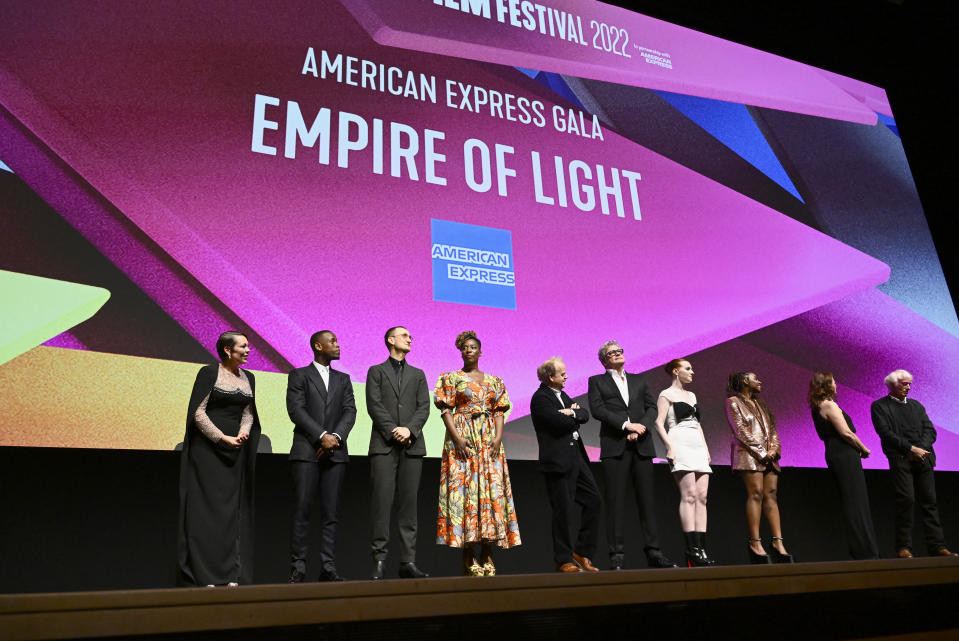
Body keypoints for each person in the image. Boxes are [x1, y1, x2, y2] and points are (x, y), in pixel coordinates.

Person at [177, 331, 261, 587]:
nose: (248, 350)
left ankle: (230, 573)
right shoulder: (208, 373)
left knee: (230, 514)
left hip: (236, 451)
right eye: (243, 346)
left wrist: (244, 432)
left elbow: (248, 411)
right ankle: (206, 575)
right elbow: (198, 413)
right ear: (227, 350)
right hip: (209, 451)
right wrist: (221, 437)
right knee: (208, 512)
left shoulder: (249, 377)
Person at [435, 330, 521, 576]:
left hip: (488, 441)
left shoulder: (495, 381)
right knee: (465, 492)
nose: (469, 350)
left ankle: (487, 553)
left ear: (480, 351)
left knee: (490, 493)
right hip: (462, 438)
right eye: (465, 347)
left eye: (473, 347)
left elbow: (499, 412)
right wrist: (457, 438)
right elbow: (446, 411)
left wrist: (497, 437)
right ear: (461, 352)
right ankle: (468, 554)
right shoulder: (451, 378)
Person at [587, 341, 677, 570]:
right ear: (604, 360)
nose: (617, 354)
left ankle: (654, 552)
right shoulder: (596, 381)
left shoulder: (639, 379)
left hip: (642, 446)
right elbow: (598, 410)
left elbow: (652, 408)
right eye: (612, 353)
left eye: (619, 351)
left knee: (647, 500)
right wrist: (627, 426)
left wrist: (642, 427)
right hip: (615, 446)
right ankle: (616, 554)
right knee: (615, 501)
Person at [287, 330, 357, 582]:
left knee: (331, 513)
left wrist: (335, 438)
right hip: (307, 450)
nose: (338, 345)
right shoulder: (299, 375)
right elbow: (296, 410)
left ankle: (328, 566)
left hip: (336, 452)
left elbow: (350, 411)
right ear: (318, 346)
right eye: (333, 341)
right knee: (302, 510)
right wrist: (321, 436)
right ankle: (298, 566)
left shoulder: (344, 379)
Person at [365, 326, 431, 579]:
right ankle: (379, 560)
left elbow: (424, 407)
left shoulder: (418, 374)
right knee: (381, 503)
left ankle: (408, 562)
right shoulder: (376, 371)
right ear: (391, 340)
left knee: (409, 506)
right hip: (384, 445)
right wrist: (393, 430)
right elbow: (374, 404)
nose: (410, 338)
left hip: (412, 446)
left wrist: (410, 430)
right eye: (405, 335)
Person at [870, 370, 957, 558]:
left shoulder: (917, 406)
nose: (908, 387)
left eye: (909, 384)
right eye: (904, 384)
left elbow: (930, 430)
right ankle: (903, 547)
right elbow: (886, 434)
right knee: (906, 501)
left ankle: (937, 546)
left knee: (929, 502)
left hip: (923, 459)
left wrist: (921, 449)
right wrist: (910, 449)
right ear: (892, 384)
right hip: (901, 460)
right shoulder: (880, 407)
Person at [531, 357, 602, 572]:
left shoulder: (562, 395)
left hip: (577, 458)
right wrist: (574, 415)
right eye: (562, 374)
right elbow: (558, 423)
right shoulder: (541, 398)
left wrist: (572, 412)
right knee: (563, 510)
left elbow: (584, 414)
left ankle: (582, 552)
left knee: (594, 501)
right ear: (551, 377)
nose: (566, 376)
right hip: (558, 462)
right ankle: (563, 559)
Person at [808, 372, 878, 560]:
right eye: (833, 381)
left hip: (835, 452)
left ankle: (863, 549)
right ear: (826, 385)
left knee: (852, 499)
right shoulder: (829, 405)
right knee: (856, 500)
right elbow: (846, 433)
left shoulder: (817, 407)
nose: (837, 384)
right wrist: (864, 449)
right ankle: (865, 550)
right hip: (844, 453)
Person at [725, 372, 792, 564]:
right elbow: (740, 430)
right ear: (746, 381)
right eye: (756, 378)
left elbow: (772, 429)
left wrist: (773, 449)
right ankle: (755, 543)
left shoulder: (761, 404)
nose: (760, 381)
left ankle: (778, 542)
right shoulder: (733, 402)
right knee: (756, 494)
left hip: (769, 456)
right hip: (749, 455)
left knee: (771, 494)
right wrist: (762, 452)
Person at [653, 358, 714, 567]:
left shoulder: (692, 395)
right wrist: (669, 446)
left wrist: (705, 448)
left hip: (696, 443)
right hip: (679, 441)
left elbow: (697, 424)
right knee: (688, 495)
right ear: (676, 371)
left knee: (702, 496)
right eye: (688, 369)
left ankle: (702, 548)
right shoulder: (666, 394)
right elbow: (658, 423)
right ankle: (692, 549)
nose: (692, 372)